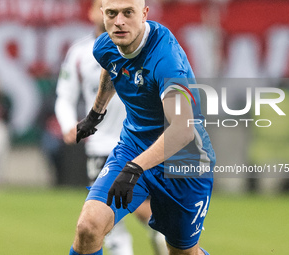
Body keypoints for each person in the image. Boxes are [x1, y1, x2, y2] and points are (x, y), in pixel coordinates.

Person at [71, 0, 215, 255]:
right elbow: (112, 68)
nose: (119, 21)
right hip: (133, 148)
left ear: (144, 14)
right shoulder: (105, 45)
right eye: (112, 14)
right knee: (88, 228)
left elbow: (182, 130)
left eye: (128, 13)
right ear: (103, 14)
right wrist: (95, 114)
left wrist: (135, 168)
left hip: (183, 159)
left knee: (181, 253)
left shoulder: (166, 60)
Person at [56, 1, 167, 254]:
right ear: (96, 12)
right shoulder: (80, 53)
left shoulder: (149, 48)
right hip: (101, 144)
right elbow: (65, 95)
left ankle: (162, 234)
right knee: (105, 221)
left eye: (126, 11)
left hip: (142, 144)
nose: (117, 18)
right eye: (107, 9)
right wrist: (69, 124)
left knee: (140, 209)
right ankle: (158, 235)